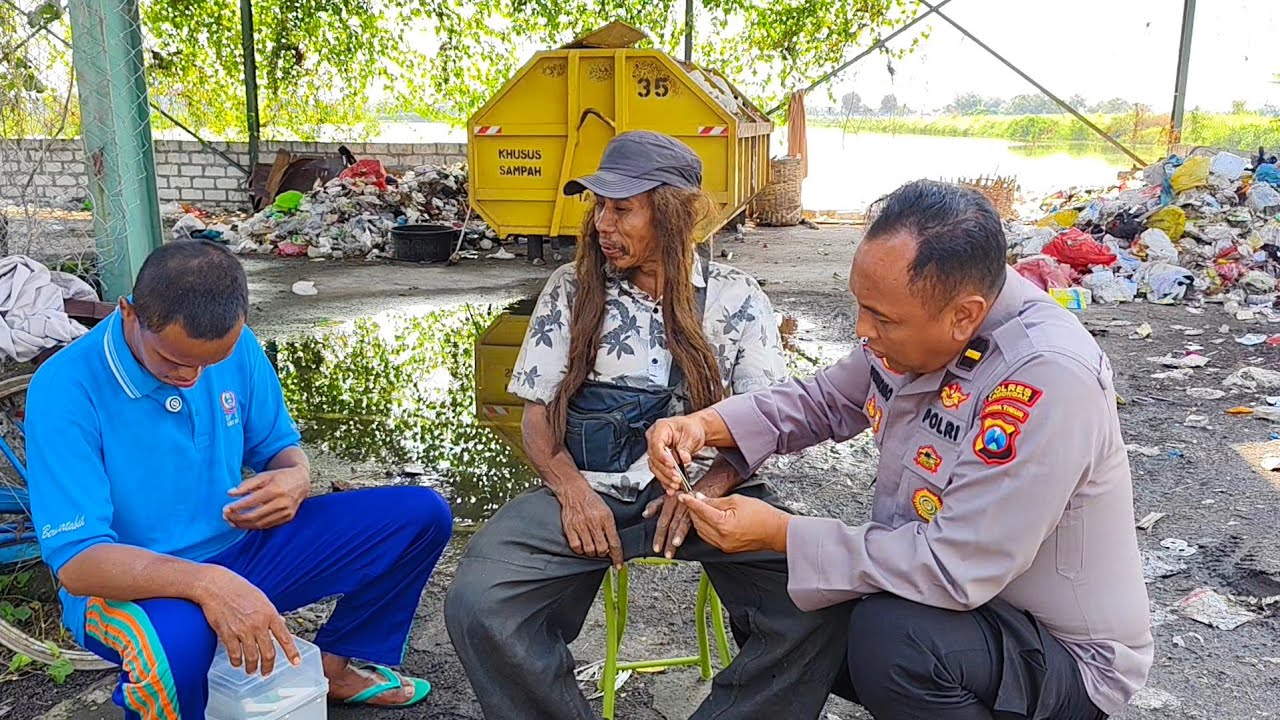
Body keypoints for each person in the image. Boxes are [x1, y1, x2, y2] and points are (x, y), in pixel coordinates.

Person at [647, 180, 1153, 720]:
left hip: (1059, 654)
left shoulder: (1047, 376)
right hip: (963, 611)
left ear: (964, 314)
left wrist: (782, 532)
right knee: (778, 598)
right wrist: (704, 425)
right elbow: (821, 401)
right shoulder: (918, 331)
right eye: (862, 307)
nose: (863, 331)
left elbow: (954, 567)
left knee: (893, 642)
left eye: (882, 318)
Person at [445, 131, 850, 719]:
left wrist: (709, 489)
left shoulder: (736, 299)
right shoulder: (571, 290)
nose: (603, 224)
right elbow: (537, 417)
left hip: (708, 495)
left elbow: (764, 422)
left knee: (818, 594)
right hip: (590, 489)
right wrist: (571, 491)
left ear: (672, 213)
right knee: (478, 602)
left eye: (622, 208)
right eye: (599, 206)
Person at [26, 240, 453, 718]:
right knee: (169, 652)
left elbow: (277, 448)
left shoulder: (236, 346)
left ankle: (334, 669)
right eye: (172, 360)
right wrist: (206, 584)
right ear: (129, 313)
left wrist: (296, 477)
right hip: (129, 586)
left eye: (208, 363)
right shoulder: (65, 387)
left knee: (420, 516)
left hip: (242, 552)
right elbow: (78, 562)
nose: (190, 377)